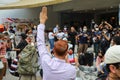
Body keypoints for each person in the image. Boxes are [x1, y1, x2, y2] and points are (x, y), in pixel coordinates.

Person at [37, 6, 76, 80]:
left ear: (53, 51)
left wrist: (42, 22)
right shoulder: (71, 70)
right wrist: (67, 61)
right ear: (66, 53)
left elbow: (40, 43)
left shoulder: (46, 62)